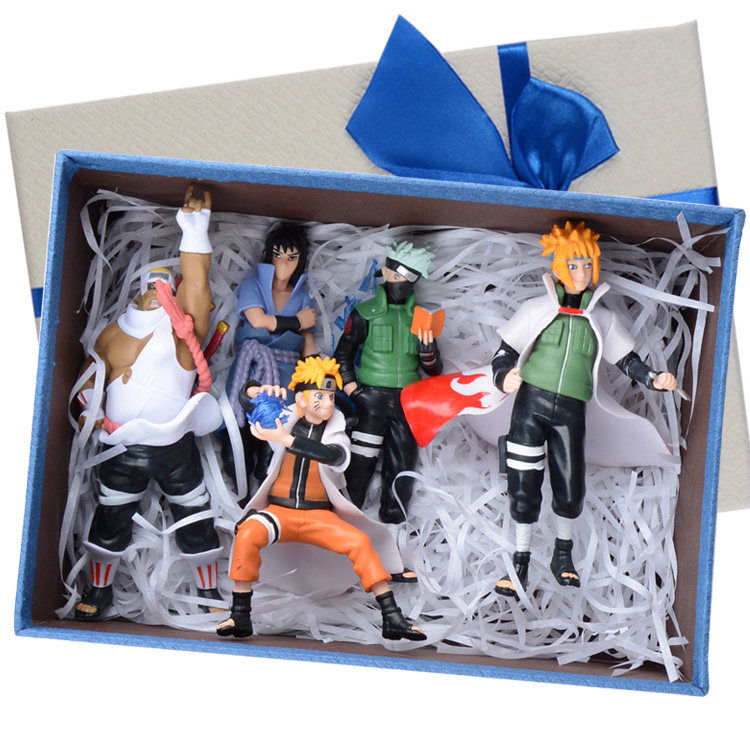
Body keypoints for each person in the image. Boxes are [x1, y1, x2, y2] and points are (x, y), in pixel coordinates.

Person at [491, 221, 678, 597]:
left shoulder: (602, 320)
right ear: (558, 266)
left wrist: (653, 378)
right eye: (573, 264)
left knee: (570, 484)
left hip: (571, 411)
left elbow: (627, 360)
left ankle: (563, 555)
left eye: (587, 264)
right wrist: (502, 376)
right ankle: (520, 561)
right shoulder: (536, 309)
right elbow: (505, 352)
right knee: (523, 483)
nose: (581, 273)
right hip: (530, 406)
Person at [74, 185, 225, 618]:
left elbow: (197, 283)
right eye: (148, 286)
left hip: (175, 447)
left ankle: (209, 593)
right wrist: (90, 410)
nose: (154, 291)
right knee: (109, 517)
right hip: (123, 447)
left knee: (194, 515)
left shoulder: (182, 331)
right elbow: (88, 381)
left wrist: (194, 232)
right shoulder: (110, 334)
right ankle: (99, 591)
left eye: (163, 286)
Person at [217, 356, 426, 642]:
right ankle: (240, 614)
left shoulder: (336, 434)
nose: (327, 403)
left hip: (318, 516)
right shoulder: (283, 419)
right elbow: (246, 400)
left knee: (359, 542)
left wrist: (287, 440)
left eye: (330, 396)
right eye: (319, 396)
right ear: (300, 399)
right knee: (248, 532)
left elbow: (333, 456)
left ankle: (392, 616)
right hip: (279, 513)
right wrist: (257, 390)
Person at [333, 239, 443, 526]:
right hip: (371, 400)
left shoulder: (421, 318)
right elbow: (342, 356)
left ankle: (394, 525)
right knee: (361, 460)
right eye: (398, 275)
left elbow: (434, 370)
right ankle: (346, 519)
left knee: (402, 464)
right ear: (386, 273)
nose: (401, 282)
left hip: (408, 402)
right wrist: (355, 392)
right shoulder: (365, 313)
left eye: (409, 277)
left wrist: (428, 353)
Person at [226, 222, 317, 484]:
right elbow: (257, 320)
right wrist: (297, 321)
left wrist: (316, 372)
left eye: (292, 258)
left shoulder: (302, 297)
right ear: (267, 255)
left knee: (277, 431)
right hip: (251, 366)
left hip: (287, 371)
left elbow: (307, 339)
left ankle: (265, 480)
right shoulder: (252, 285)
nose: (283, 264)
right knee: (239, 433)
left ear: (300, 261)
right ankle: (238, 476)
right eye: (278, 255)